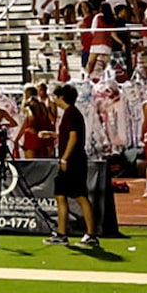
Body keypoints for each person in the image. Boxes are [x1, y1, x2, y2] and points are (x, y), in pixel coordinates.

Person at [52, 83, 95, 249]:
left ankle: (91, 234)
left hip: (72, 161)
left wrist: (64, 158)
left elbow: (73, 137)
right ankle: (61, 233)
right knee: (60, 194)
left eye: (56, 96)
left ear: (61, 97)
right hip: (72, 160)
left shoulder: (71, 114)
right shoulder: (71, 114)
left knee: (79, 196)